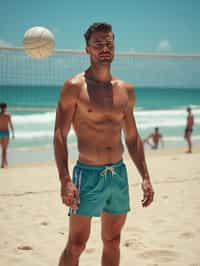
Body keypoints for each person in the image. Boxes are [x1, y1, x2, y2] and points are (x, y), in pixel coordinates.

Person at [53, 22, 154, 266]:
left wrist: (145, 176)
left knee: (113, 241)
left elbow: (131, 136)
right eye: (98, 43)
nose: (105, 47)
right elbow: (59, 135)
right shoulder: (74, 87)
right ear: (87, 49)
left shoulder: (125, 90)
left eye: (109, 42)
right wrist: (65, 180)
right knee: (77, 244)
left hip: (117, 175)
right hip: (87, 175)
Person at [0, 102, 15, 168]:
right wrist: (13, 133)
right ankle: (3, 162)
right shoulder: (8, 115)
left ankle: (4, 162)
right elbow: (11, 124)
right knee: (4, 149)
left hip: (0, 132)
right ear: (5, 107)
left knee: (2, 149)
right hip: (6, 132)